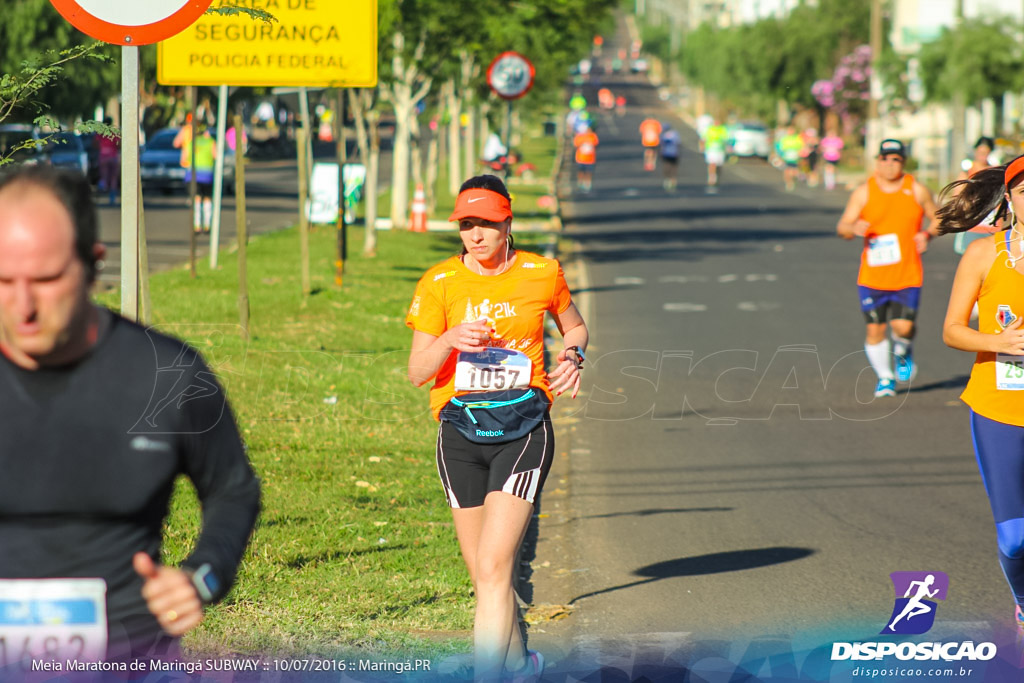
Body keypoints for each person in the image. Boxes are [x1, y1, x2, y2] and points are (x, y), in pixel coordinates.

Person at [0, 164, 261, 663]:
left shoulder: (168, 375)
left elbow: (233, 489)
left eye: (47, 279)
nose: (23, 305)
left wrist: (202, 576)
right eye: (3, 280)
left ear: (95, 265)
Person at [406, 175, 588, 681]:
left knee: (492, 568)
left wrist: (574, 354)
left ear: (508, 222)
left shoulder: (541, 272)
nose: (476, 235)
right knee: (487, 574)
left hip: (523, 427)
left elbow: (574, 325)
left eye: (486, 223)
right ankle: (518, 664)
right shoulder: (439, 283)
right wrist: (449, 340)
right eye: (467, 224)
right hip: (460, 433)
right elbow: (418, 371)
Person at [937, 154, 1024, 640]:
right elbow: (951, 330)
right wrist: (999, 342)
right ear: (1008, 199)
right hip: (1000, 410)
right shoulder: (984, 255)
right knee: (1016, 539)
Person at [836, 139, 939, 397]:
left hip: (907, 274)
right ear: (877, 162)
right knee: (875, 329)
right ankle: (885, 377)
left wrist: (927, 235)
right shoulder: (864, 192)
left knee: (903, 328)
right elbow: (843, 227)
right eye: (885, 159)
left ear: (903, 163)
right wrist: (852, 228)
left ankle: (903, 349)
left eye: (896, 159)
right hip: (872, 277)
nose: (890, 164)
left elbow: (938, 218)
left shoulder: (916, 189)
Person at [953, 136, 1001, 256]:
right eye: (980, 152)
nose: (982, 155)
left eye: (985, 152)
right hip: (973, 226)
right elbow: (957, 198)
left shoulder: (996, 172)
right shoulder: (967, 173)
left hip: (993, 227)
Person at [175, 122, 217, 233]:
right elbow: (216, 156)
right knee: (207, 198)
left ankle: (197, 225)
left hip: (193, 175)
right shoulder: (211, 142)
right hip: (207, 175)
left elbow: (183, 161)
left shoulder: (190, 143)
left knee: (196, 199)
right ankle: (207, 224)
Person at [96, 117, 120, 206]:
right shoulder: (114, 132)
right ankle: (112, 198)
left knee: (104, 176)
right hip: (113, 156)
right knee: (113, 178)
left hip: (103, 156)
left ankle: (102, 188)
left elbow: (94, 143)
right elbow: (119, 144)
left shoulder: (100, 132)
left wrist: (102, 147)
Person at [700, 118, 728, 191]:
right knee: (712, 164)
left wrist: (728, 148)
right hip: (711, 150)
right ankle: (712, 178)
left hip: (720, 150)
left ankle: (717, 177)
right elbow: (703, 138)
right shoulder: (709, 129)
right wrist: (702, 147)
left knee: (719, 166)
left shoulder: (722, 129)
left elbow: (726, 139)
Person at [573, 124, 599, 192]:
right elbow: (576, 144)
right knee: (581, 171)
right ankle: (580, 182)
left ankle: (587, 183)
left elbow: (596, 144)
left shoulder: (593, 136)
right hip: (581, 158)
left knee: (589, 172)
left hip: (590, 159)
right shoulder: (580, 137)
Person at [776, 126, 804, 191]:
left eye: (792, 130)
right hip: (786, 157)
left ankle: (793, 180)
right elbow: (780, 148)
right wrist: (780, 157)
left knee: (794, 172)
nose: (790, 132)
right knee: (787, 171)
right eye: (789, 130)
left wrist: (800, 155)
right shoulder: (784, 139)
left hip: (795, 158)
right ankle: (788, 183)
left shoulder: (797, 138)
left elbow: (801, 147)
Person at [659, 124, 681, 191]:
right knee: (674, 167)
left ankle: (667, 179)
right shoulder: (675, 134)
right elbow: (678, 143)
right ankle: (673, 180)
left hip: (666, 153)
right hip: (674, 153)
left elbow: (661, 143)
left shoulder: (663, 135)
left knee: (667, 166)